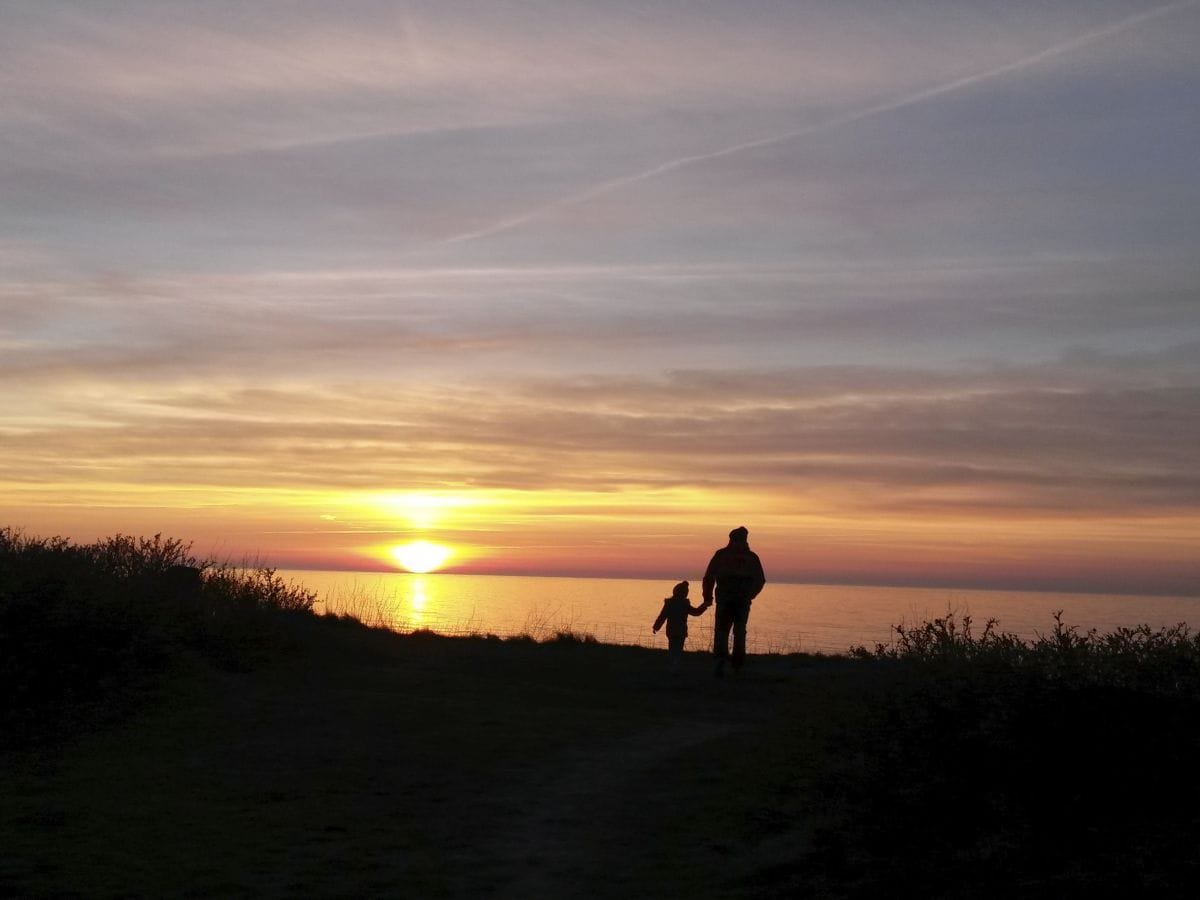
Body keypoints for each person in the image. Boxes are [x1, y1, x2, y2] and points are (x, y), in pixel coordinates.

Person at [700, 526, 765, 676]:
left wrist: (708, 597)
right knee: (739, 632)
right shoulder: (752, 557)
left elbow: (709, 577)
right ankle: (737, 665)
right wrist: (750, 595)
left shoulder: (722, 555)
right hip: (740, 601)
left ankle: (721, 661)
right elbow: (760, 580)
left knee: (722, 631)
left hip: (726, 600)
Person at [652, 580, 706, 671]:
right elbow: (696, 612)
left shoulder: (669, 604)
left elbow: (662, 616)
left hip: (671, 631)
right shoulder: (685, 605)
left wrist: (656, 627)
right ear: (685, 594)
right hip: (681, 631)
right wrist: (704, 605)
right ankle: (675, 664)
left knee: (672, 648)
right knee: (678, 650)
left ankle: (673, 664)